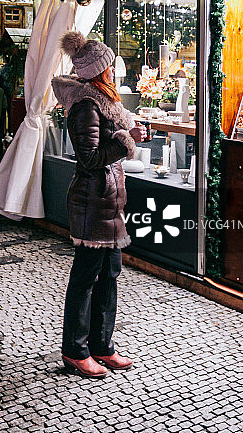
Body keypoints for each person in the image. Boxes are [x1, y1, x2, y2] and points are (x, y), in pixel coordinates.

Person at [51, 32, 143, 379]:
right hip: (92, 198)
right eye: (110, 66)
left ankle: (102, 345)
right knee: (86, 277)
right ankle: (75, 350)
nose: (115, 71)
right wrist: (125, 143)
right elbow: (89, 158)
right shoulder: (86, 105)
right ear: (100, 70)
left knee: (110, 274)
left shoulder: (105, 102)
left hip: (108, 201)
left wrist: (128, 137)